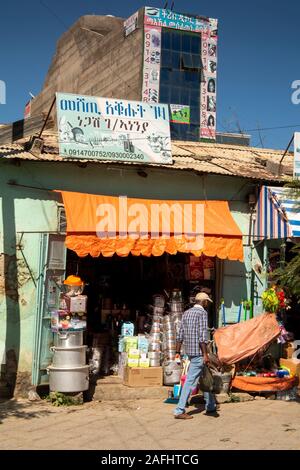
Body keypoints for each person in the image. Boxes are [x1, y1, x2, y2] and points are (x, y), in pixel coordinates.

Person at [174, 292, 217, 419]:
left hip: (189, 351)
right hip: (199, 352)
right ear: (203, 302)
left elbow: (180, 334)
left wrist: (177, 352)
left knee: (205, 377)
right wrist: (205, 354)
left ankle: (210, 405)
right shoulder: (202, 313)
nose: (207, 304)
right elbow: (202, 336)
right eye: (207, 302)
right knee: (190, 381)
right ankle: (179, 410)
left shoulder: (186, 313)